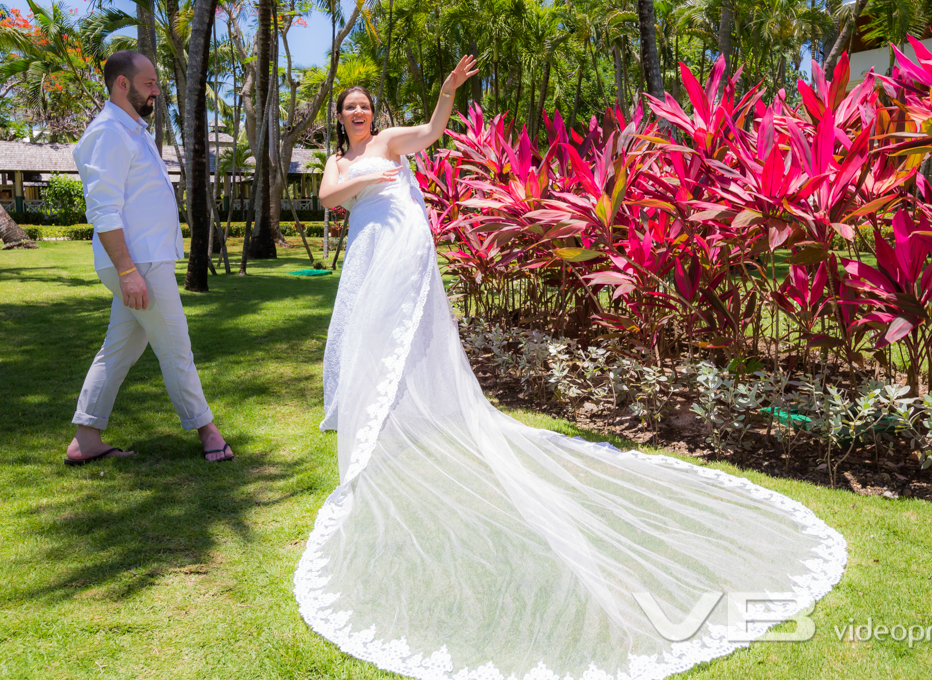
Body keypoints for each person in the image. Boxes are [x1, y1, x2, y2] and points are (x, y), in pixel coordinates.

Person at [296, 56, 846, 679]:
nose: (358, 113)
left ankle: (379, 427)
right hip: (365, 251)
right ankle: (375, 419)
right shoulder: (339, 162)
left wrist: (447, 92)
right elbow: (328, 197)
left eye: (364, 105)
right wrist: (364, 179)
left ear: (375, 112)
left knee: (393, 333)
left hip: (397, 245)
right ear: (340, 119)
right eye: (349, 108)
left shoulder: (392, 143)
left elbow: (429, 134)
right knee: (364, 336)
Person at [64, 50, 232, 466]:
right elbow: (103, 209)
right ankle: (208, 432)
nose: (157, 90)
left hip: (143, 262)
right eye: (150, 83)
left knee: (119, 348)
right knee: (176, 347)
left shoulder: (131, 131)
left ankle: (85, 438)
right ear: (123, 84)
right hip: (137, 264)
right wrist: (127, 271)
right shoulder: (108, 133)